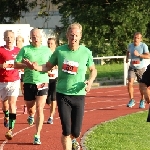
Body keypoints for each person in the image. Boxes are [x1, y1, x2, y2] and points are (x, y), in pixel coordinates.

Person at [23, 23, 97, 150]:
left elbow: (93, 70)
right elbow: (47, 67)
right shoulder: (60, 51)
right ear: (67, 35)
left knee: (76, 132)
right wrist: (35, 67)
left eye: (76, 35)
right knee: (66, 130)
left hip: (79, 95)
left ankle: (74, 140)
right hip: (63, 95)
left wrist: (90, 81)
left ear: (80, 36)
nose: (73, 38)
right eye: (71, 35)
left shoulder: (86, 52)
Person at [15, 28, 52, 145]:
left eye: (37, 36)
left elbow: (52, 64)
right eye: (33, 37)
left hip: (42, 82)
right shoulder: (25, 49)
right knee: (31, 108)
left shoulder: (47, 50)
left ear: (41, 37)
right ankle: (30, 115)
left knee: (40, 108)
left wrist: (50, 68)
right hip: (29, 82)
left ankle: (37, 135)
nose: (36, 38)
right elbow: (16, 64)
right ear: (30, 38)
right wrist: (26, 65)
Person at [0, 30, 20, 140]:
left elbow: (21, 63)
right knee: (5, 104)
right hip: (2, 81)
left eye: (11, 37)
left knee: (13, 103)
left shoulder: (18, 51)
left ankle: (10, 130)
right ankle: (6, 115)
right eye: (7, 37)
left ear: (14, 38)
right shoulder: (0, 50)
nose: (9, 39)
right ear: (4, 38)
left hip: (14, 80)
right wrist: (1, 65)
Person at [126, 32, 149, 108]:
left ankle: (142, 100)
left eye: (138, 38)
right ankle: (132, 100)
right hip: (132, 67)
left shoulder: (143, 46)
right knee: (130, 83)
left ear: (140, 39)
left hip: (140, 68)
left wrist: (139, 55)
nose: (136, 39)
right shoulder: (130, 45)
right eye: (135, 38)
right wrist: (127, 58)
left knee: (141, 85)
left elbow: (148, 56)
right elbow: (128, 51)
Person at [46, 37, 58, 124]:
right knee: (47, 99)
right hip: (46, 78)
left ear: (55, 45)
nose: (50, 45)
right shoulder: (45, 53)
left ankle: (51, 117)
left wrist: (55, 66)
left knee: (53, 97)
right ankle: (52, 107)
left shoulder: (58, 53)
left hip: (55, 78)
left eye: (51, 44)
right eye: (48, 44)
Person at [16, 35, 27, 114]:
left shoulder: (24, 50)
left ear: (22, 42)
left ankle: (26, 106)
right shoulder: (14, 51)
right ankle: (13, 104)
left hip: (23, 73)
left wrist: (23, 66)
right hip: (15, 73)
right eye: (16, 40)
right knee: (16, 90)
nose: (17, 42)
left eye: (19, 41)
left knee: (23, 90)